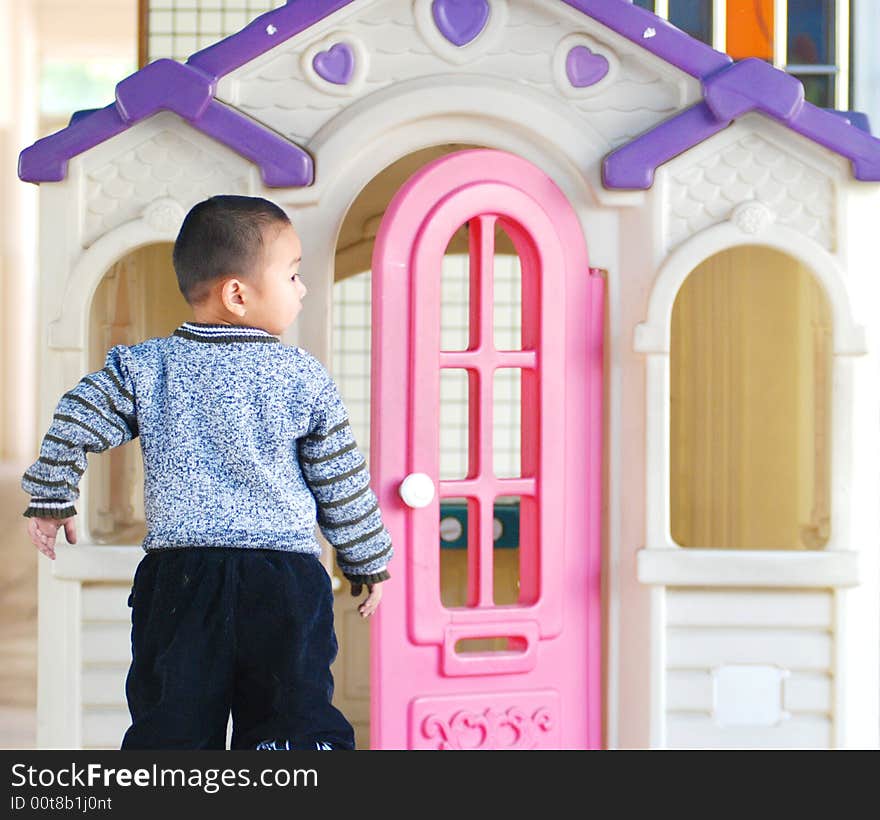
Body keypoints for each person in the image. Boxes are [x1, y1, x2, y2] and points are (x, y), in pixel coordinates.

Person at [21, 194, 392, 750]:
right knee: (292, 721)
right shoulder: (302, 376)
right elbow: (340, 479)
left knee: (172, 724)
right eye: (293, 275)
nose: (303, 289)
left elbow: (77, 415)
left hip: (180, 580)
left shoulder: (147, 365)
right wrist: (367, 560)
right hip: (282, 581)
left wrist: (53, 494)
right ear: (238, 294)